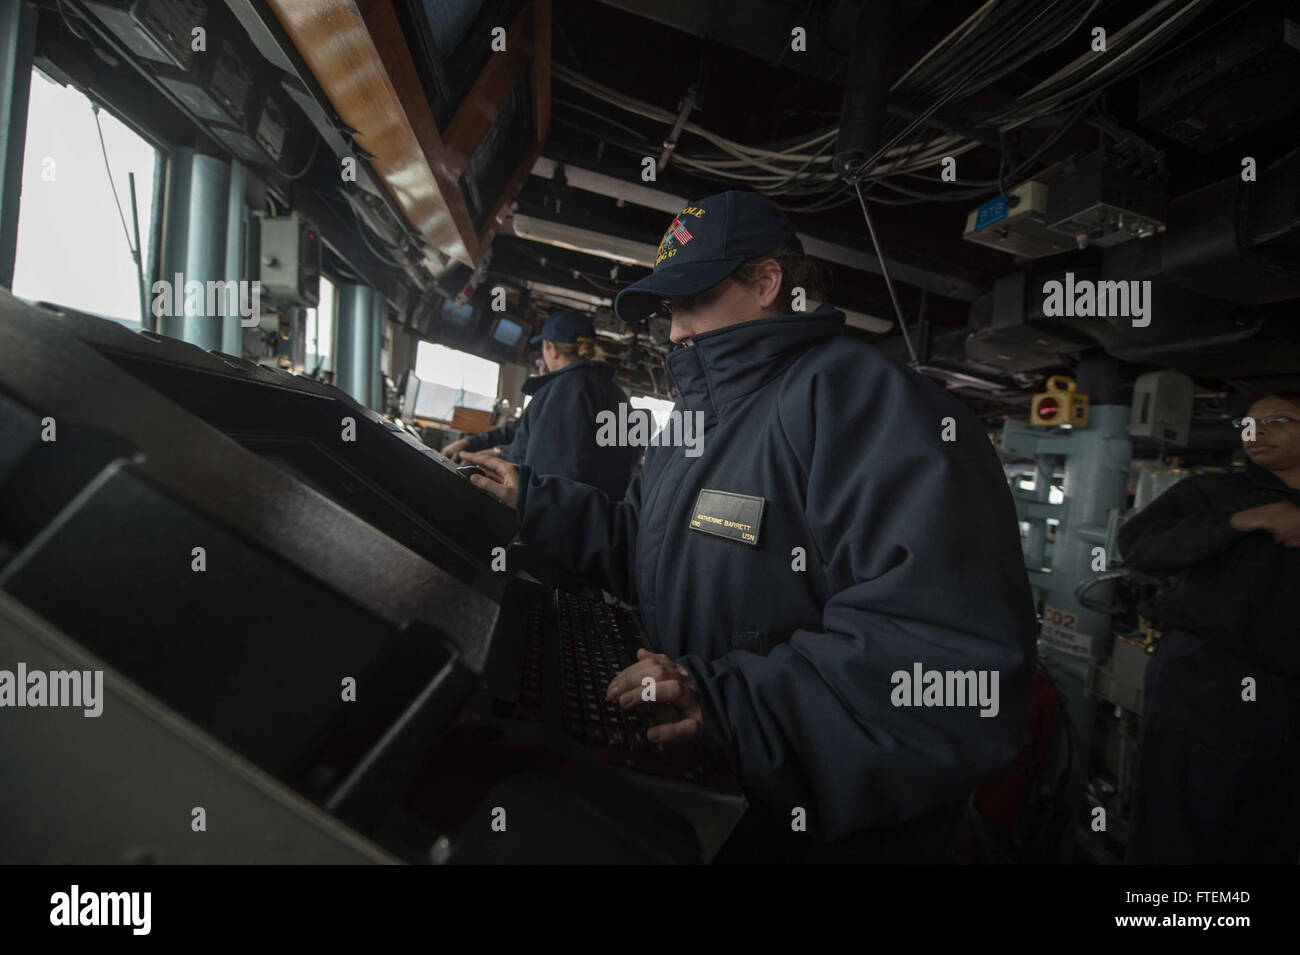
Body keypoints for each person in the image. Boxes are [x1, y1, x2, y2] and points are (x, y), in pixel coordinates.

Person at [462, 190, 1036, 862]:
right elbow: (647, 547)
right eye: (669, 310)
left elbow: (945, 664)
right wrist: (533, 501)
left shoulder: (865, 406)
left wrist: (730, 707)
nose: (674, 331)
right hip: (720, 796)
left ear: (767, 282)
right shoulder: (694, 423)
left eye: (690, 301)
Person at [1119, 392, 1300, 864]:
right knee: (1181, 823)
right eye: (1250, 424)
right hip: (1209, 675)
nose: (1256, 432)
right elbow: (1139, 548)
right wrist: (1242, 521)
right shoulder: (1213, 494)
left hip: (1289, 687)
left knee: (1268, 826)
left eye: (1277, 421)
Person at [442, 309, 638, 501]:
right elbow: (521, 430)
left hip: (555, 517)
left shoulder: (563, 391)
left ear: (551, 348)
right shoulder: (615, 393)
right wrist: (469, 443)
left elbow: (548, 475)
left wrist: (497, 462)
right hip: (600, 515)